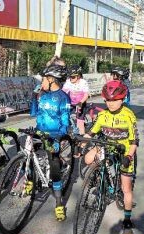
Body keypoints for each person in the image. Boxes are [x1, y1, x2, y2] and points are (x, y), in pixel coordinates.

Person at [83, 80, 139, 234]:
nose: (111, 103)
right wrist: (81, 141)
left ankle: (127, 221)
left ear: (122, 99)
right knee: (88, 158)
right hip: (106, 146)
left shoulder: (129, 115)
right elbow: (91, 133)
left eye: (115, 100)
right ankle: (101, 177)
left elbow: (135, 141)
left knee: (126, 187)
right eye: (108, 100)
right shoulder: (102, 115)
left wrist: (129, 156)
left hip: (124, 151)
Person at [33, 64, 70, 221]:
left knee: (54, 164)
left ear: (51, 79)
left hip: (54, 135)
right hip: (39, 131)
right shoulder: (43, 94)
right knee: (28, 154)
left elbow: (65, 120)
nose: (41, 82)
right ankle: (29, 180)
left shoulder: (63, 97)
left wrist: (59, 137)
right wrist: (34, 97)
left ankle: (59, 202)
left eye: (43, 79)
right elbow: (34, 112)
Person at [62, 65, 90, 135]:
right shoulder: (68, 82)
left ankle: (81, 137)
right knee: (64, 116)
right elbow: (63, 92)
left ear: (79, 76)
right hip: (71, 103)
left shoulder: (83, 82)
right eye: (70, 77)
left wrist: (81, 102)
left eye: (73, 77)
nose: (71, 79)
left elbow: (86, 95)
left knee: (79, 120)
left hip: (80, 103)